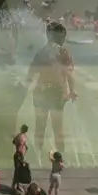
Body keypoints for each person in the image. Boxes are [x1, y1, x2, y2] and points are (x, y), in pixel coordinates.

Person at [25, 22, 76, 154]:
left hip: (41, 91)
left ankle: (38, 153)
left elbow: (32, 71)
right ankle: (60, 156)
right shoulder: (64, 53)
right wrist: (72, 91)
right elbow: (69, 73)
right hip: (57, 92)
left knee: (40, 126)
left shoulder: (42, 52)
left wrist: (25, 85)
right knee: (58, 128)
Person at [11, 125, 30, 193]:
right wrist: (22, 158)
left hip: (19, 155)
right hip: (19, 156)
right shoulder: (22, 137)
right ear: (26, 130)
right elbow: (20, 147)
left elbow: (13, 141)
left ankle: (18, 186)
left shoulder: (20, 135)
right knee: (17, 172)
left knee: (19, 172)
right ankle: (13, 187)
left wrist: (24, 146)